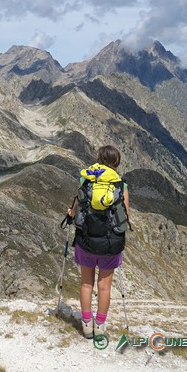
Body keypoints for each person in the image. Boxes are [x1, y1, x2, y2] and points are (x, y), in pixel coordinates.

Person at [66, 145, 130, 339]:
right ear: (116, 163)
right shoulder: (120, 185)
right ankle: (100, 326)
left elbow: (76, 207)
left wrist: (70, 214)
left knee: (86, 283)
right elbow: (125, 215)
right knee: (104, 287)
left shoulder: (86, 179)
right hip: (110, 245)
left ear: (99, 159)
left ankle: (86, 324)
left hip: (85, 241)